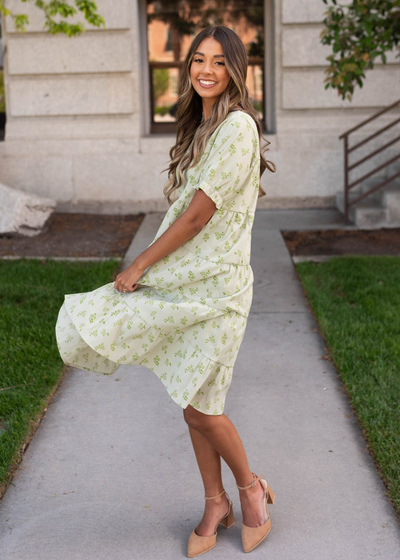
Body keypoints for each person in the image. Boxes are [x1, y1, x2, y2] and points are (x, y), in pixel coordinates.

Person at [55, 25, 276, 557]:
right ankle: (214, 501)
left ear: (236, 71)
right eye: (199, 59)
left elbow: (199, 216)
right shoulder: (205, 125)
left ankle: (252, 490)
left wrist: (139, 265)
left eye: (219, 62)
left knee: (203, 409)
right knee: (193, 401)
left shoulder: (237, 128)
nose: (206, 70)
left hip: (218, 289)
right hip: (188, 283)